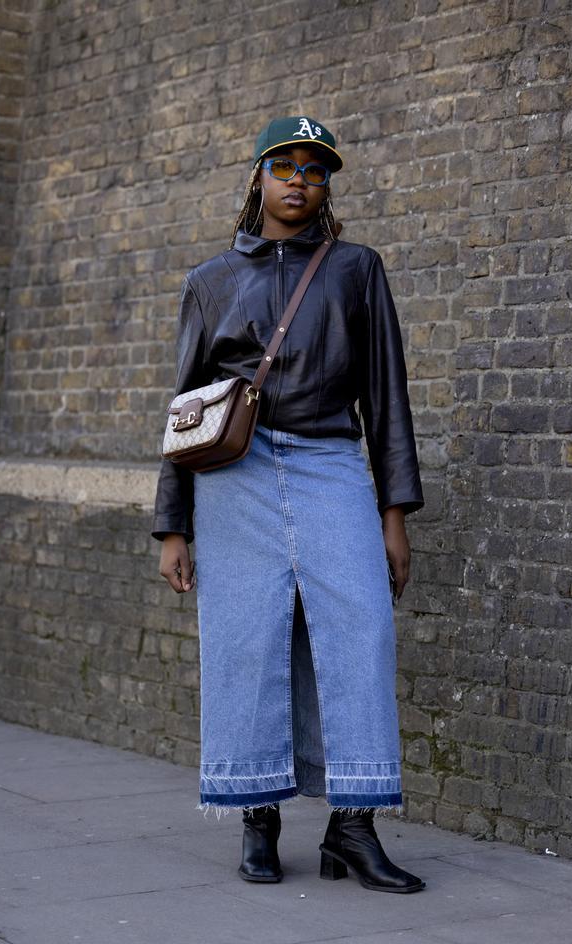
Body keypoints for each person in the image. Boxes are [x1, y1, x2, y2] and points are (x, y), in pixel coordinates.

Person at [152, 115, 426, 894]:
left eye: (315, 168)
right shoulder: (210, 280)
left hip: (332, 458)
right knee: (246, 637)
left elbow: (388, 395)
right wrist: (172, 524)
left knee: (362, 627)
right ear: (257, 180)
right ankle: (258, 818)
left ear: (326, 184)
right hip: (233, 474)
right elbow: (183, 409)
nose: (301, 178)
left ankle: (354, 826)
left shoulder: (355, 269)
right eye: (285, 165)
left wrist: (393, 513)